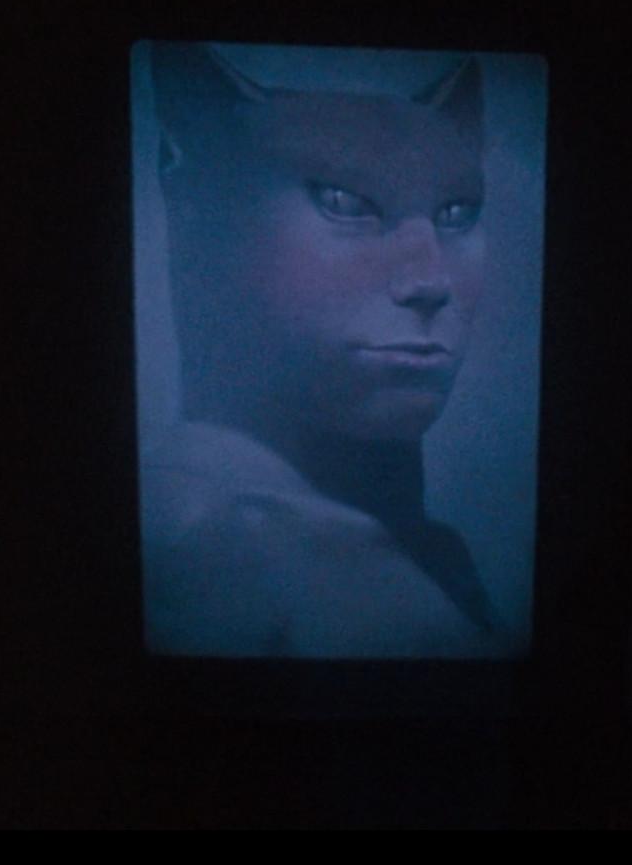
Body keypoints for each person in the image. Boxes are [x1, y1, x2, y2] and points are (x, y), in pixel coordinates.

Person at [139, 42, 498, 658]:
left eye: (456, 213)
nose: (431, 279)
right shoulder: (209, 550)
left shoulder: (421, 551)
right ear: (198, 214)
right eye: (345, 204)